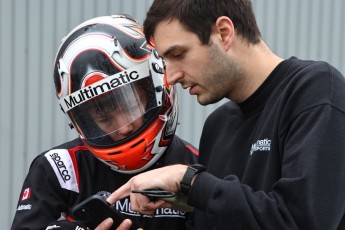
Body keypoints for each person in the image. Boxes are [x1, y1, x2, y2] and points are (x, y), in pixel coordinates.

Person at [98, 0, 345, 229]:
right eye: (165, 61)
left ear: (224, 33)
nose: (170, 77)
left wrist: (189, 181)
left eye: (178, 55)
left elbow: (303, 221)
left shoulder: (316, 91)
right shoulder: (217, 126)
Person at [11, 14, 198, 230]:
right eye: (104, 118)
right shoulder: (59, 169)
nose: (124, 127)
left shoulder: (195, 171)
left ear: (157, 86)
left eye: (129, 106)